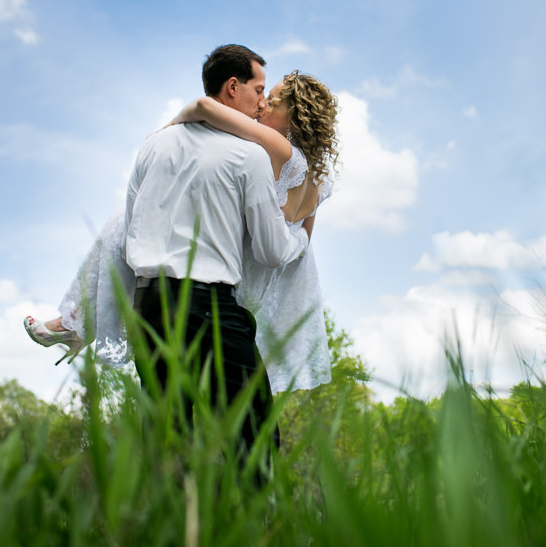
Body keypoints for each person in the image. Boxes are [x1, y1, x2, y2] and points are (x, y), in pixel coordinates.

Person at [24, 56, 338, 396]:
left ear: (293, 116)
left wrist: (171, 126)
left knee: (126, 220)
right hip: (256, 278)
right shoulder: (322, 179)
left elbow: (204, 105)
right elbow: (304, 230)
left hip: (222, 278)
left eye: (272, 100)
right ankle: (79, 322)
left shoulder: (276, 147)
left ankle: (77, 321)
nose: (262, 104)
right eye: (262, 94)